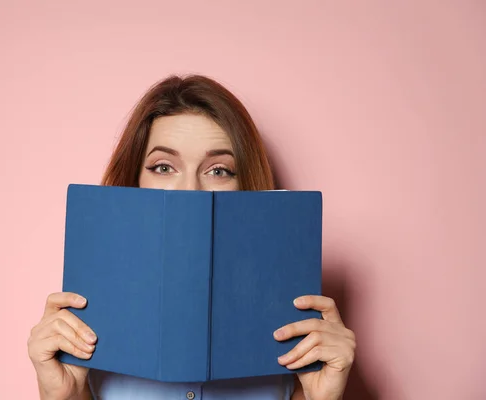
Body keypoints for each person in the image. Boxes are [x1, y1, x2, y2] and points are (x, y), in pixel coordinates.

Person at [28, 75, 356, 400]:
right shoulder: (88, 315)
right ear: (134, 178)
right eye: (163, 167)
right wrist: (64, 396)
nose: (190, 191)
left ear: (246, 186)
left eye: (218, 170)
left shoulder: (290, 324)